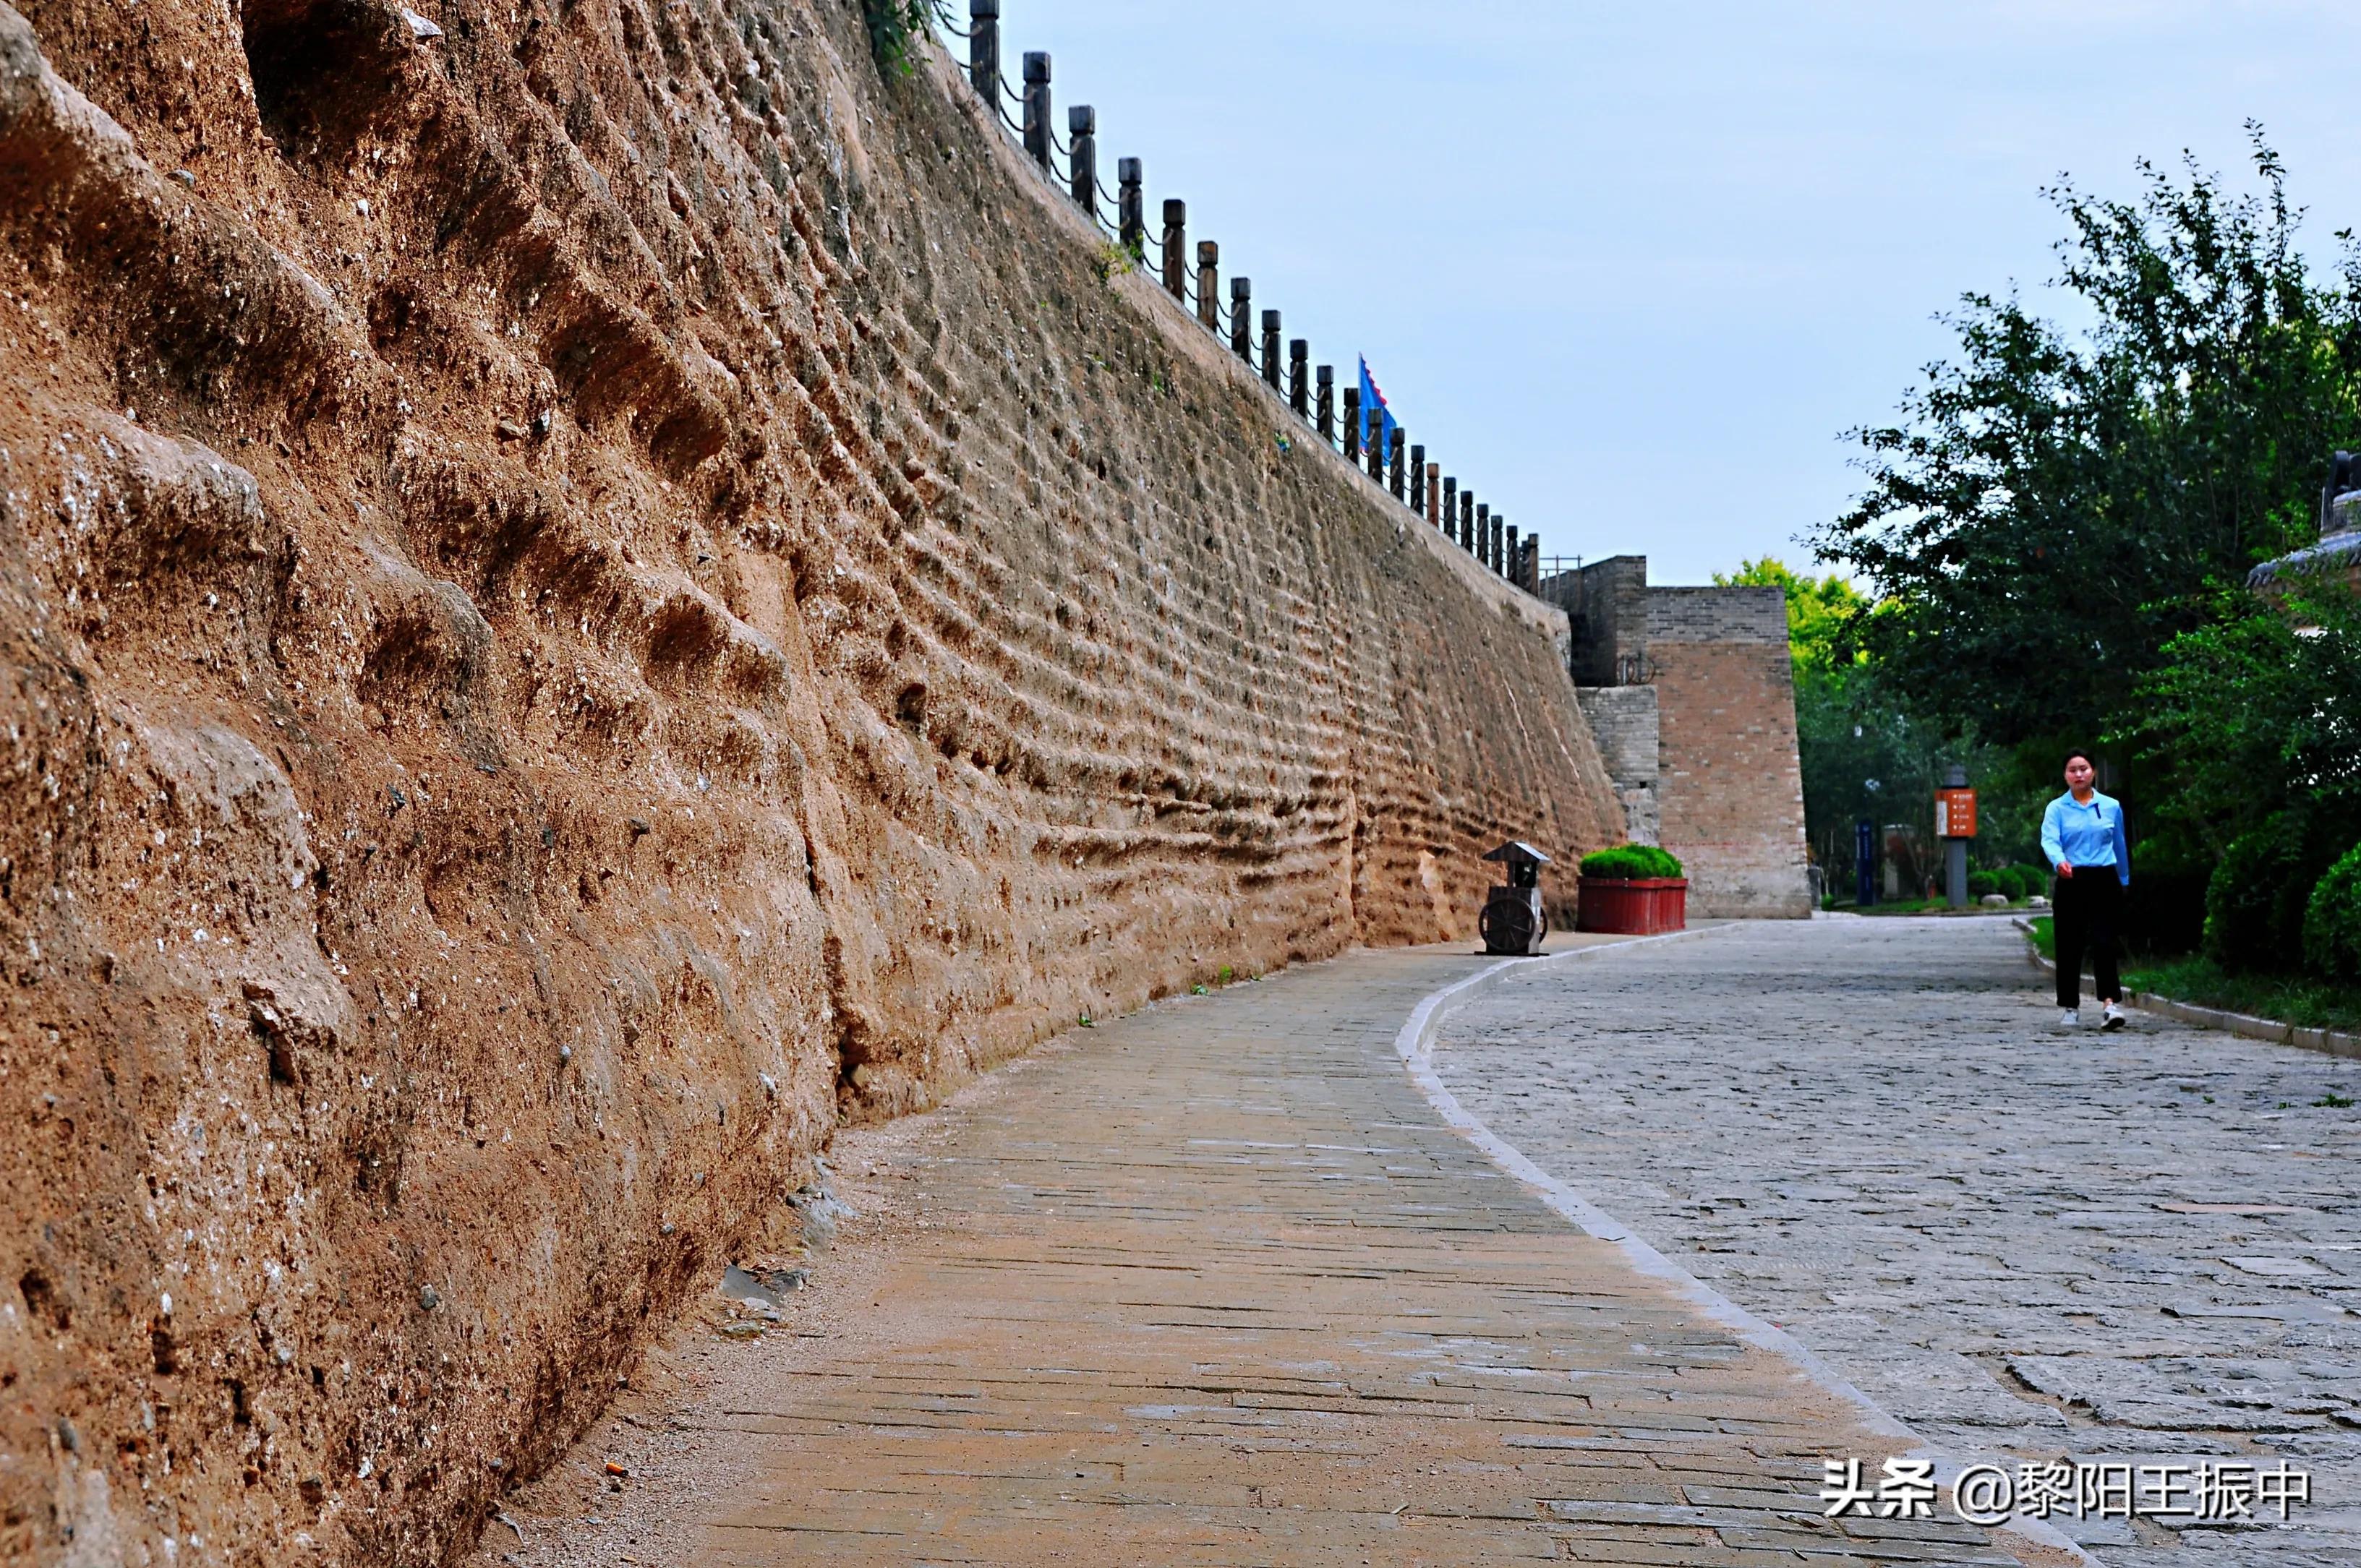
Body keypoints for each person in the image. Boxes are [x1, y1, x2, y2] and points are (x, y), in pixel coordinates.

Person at [2040, 750, 2130, 1031]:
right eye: (2072, 770)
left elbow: (2119, 844)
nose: (2078, 775)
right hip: (2072, 879)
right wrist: (2059, 862)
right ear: (2065, 775)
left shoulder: (2111, 806)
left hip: (2105, 879)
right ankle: (2070, 1006)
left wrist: (2124, 879)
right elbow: (2050, 840)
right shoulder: (2056, 808)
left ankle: (2110, 1004)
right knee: (2069, 944)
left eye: (2083, 769)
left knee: (2105, 943)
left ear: (2093, 771)